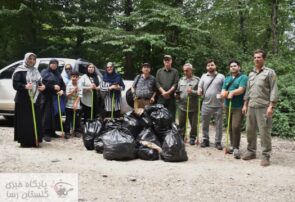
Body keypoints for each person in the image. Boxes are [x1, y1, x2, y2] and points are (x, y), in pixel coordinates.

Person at [242, 49, 279, 166]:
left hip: (263, 107)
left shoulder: (270, 73)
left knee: (264, 132)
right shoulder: (251, 74)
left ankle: (265, 155)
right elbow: (248, 90)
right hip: (251, 106)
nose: (256, 59)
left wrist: (271, 106)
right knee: (249, 130)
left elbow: (274, 89)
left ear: (264, 59)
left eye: (259, 57)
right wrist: (245, 104)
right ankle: (251, 151)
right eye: (255, 57)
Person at [12, 52, 46, 147]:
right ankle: (25, 141)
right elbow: (15, 84)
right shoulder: (19, 70)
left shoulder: (36, 70)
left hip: (35, 99)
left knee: (35, 119)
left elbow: (40, 83)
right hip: (23, 100)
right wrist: (25, 86)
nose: (32, 61)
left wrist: (43, 87)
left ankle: (35, 140)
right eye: (30, 59)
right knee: (25, 121)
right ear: (26, 59)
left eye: (33, 59)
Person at [221, 60, 248, 159]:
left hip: (238, 106)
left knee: (235, 126)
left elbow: (241, 89)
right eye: (231, 66)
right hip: (228, 105)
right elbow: (223, 90)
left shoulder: (243, 77)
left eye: (235, 66)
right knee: (229, 127)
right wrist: (224, 95)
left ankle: (236, 148)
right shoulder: (227, 78)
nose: (233, 67)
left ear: (239, 67)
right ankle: (232, 146)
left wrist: (231, 92)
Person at [197, 59, 225, 150]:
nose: (210, 67)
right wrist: (199, 90)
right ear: (206, 67)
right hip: (206, 104)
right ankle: (205, 139)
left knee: (219, 124)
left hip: (218, 105)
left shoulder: (221, 76)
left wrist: (224, 102)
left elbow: (224, 89)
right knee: (205, 123)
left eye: (212, 65)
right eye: (208, 65)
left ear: (215, 66)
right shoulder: (203, 76)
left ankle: (218, 142)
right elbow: (200, 86)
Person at [40, 59, 66, 142]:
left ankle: (52, 131)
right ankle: (45, 133)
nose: (54, 65)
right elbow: (42, 84)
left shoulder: (58, 74)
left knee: (55, 115)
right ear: (49, 64)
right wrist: (53, 87)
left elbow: (62, 85)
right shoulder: (44, 72)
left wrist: (62, 90)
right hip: (46, 97)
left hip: (55, 98)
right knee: (46, 115)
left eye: (55, 64)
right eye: (52, 63)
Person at [175, 63, 200, 145]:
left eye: (187, 70)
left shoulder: (197, 80)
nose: (185, 72)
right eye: (184, 71)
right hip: (182, 105)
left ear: (191, 70)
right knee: (181, 123)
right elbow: (178, 90)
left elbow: (200, 93)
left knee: (193, 124)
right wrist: (176, 95)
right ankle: (181, 137)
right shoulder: (181, 80)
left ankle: (192, 137)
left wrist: (192, 92)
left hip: (193, 106)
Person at [156, 55, 179, 121]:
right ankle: (161, 131)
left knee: (171, 117)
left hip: (171, 98)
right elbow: (157, 83)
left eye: (168, 59)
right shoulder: (159, 71)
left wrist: (168, 93)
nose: (167, 61)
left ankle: (172, 130)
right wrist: (163, 92)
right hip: (161, 98)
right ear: (163, 61)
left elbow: (176, 83)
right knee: (160, 116)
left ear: (171, 61)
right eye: (165, 60)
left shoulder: (175, 71)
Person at [64, 71, 82, 139]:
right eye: (73, 76)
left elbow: (80, 95)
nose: (74, 78)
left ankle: (77, 131)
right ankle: (67, 132)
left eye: (76, 77)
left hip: (76, 105)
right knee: (68, 119)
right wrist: (73, 90)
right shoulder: (68, 84)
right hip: (68, 105)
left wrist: (75, 104)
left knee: (77, 119)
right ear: (71, 77)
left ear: (78, 78)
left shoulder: (80, 85)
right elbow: (67, 96)